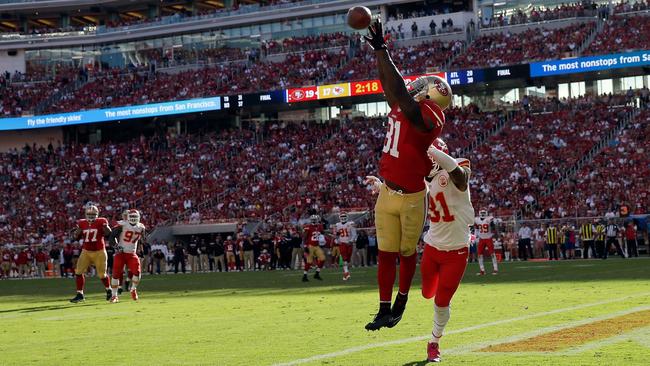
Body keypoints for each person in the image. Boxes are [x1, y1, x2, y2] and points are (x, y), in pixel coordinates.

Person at [362, 18, 451, 331]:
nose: (415, 86)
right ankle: (383, 308)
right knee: (385, 253)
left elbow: (400, 92)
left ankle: (401, 302)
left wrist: (384, 49)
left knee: (405, 251)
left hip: (413, 197)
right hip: (387, 193)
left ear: (430, 95)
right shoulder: (403, 104)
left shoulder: (430, 114)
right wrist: (377, 52)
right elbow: (390, 85)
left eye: (421, 86)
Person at [419, 138, 474, 362]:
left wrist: (431, 150)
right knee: (426, 293)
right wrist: (382, 188)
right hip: (432, 247)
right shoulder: (426, 179)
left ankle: (434, 342)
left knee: (441, 302)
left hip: (457, 253)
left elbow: (461, 179)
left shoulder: (458, 167)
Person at [69, 205, 112, 303]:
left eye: (93, 214)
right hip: (86, 251)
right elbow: (76, 237)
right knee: (78, 272)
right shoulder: (82, 223)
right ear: (85, 214)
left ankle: (109, 290)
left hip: (99, 251)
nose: (91, 216)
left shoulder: (102, 221)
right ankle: (80, 294)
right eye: (89, 214)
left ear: (97, 214)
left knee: (102, 275)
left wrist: (105, 227)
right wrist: (76, 232)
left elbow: (109, 233)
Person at [108, 209, 146, 302]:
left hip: (132, 254)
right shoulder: (122, 225)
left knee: (137, 273)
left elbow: (142, 239)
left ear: (138, 218)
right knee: (115, 274)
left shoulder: (141, 227)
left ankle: (133, 289)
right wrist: (116, 246)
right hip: (121, 253)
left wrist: (141, 248)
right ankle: (114, 295)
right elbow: (112, 236)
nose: (133, 219)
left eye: (135, 217)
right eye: (131, 217)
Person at [474, 210, 498, 275]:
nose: (482, 214)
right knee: (479, 255)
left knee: (492, 254)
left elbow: (493, 227)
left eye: (484, 213)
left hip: (488, 238)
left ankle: (495, 269)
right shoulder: (476, 219)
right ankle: (482, 270)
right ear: (479, 213)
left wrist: (492, 224)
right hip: (481, 238)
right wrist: (475, 236)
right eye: (481, 213)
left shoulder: (489, 219)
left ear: (486, 213)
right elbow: (476, 229)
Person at [302, 215, 325, 282]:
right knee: (309, 262)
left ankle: (317, 274)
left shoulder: (319, 226)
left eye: (315, 219)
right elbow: (304, 237)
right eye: (313, 219)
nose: (314, 220)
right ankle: (305, 276)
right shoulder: (308, 227)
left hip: (317, 246)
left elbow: (322, 232)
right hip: (310, 246)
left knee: (323, 259)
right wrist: (305, 246)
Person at [335, 212, 357, 280]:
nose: (343, 218)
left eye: (344, 217)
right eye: (342, 217)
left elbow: (354, 234)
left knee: (348, 259)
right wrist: (337, 240)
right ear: (340, 218)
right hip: (342, 243)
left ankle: (346, 274)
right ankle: (347, 273)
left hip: (349, 243)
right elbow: (337, 235)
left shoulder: (350, 224)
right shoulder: (338, 225)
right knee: (344, 258)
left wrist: (351, 241)